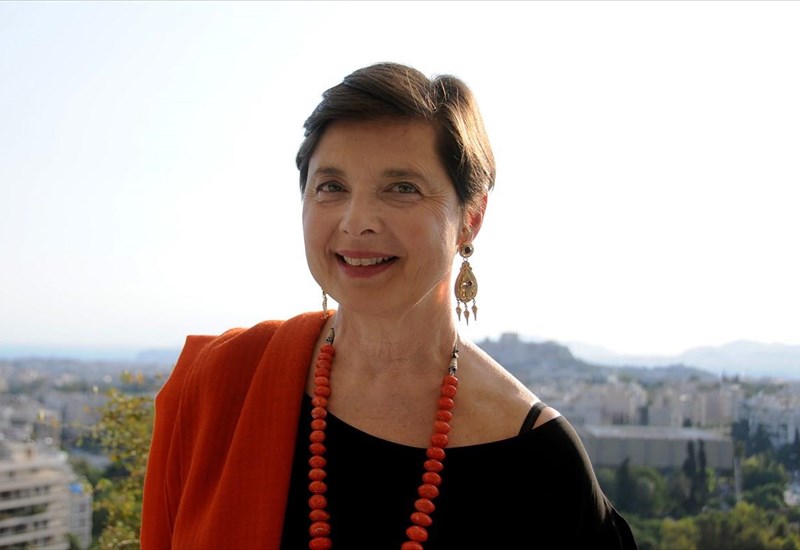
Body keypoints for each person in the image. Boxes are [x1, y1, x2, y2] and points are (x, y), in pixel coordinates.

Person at [140, 62, 638, 550]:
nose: (357, 221)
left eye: (402, 188)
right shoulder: (220, 385)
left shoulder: (540, 461)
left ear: (471, 218)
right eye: (331, 187)